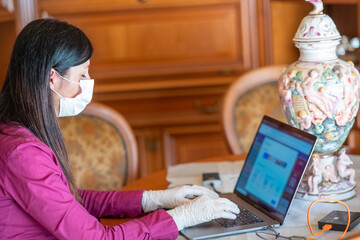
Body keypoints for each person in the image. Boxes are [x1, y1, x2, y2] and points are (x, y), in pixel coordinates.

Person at [0, 18, 239, 239]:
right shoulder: (23, 154)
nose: (87, 83)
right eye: (83, 74)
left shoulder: (16, 129)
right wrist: (181, 217)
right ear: (52, 78)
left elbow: (70, 201)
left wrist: (152, 199)